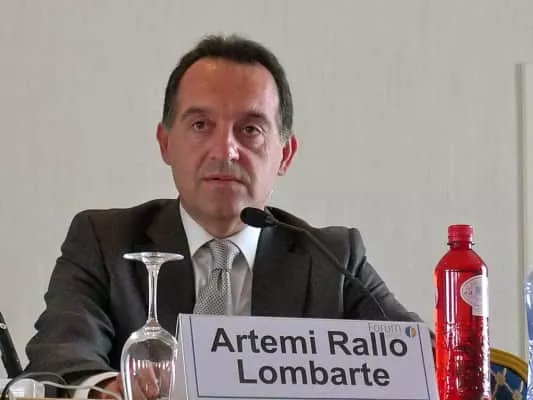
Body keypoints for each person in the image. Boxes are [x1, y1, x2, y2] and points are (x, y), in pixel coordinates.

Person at [24, 34, 425, 398]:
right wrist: (104, 391)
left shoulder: (333, 259)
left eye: (250, 130)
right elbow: (59, 356)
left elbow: (419, 361)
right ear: (165, 143)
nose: (225, 150)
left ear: (285, 155)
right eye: (201, 125)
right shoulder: (105, 241)